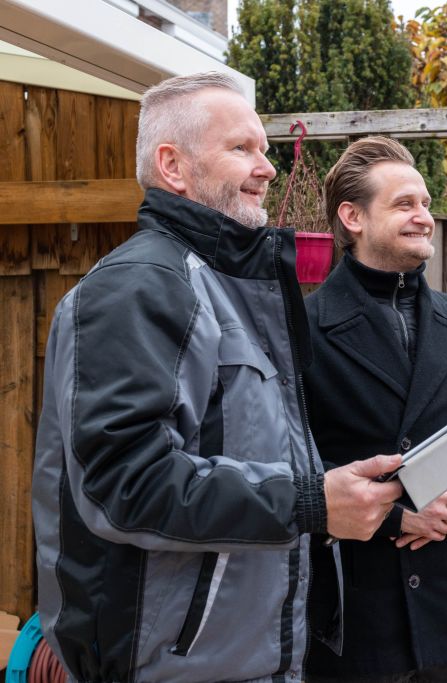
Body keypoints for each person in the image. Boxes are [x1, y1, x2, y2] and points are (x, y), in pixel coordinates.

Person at [31, 72, 404, 683]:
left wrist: (332, 493)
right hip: (167, 668)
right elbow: (122, 484)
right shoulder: (139, 288)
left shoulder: (228, 288)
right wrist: (310, 502)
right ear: (173, 167)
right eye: (242, 149)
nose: (268, 168)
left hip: (249, 659)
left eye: (264, 149)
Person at [303, 136, 447, 682]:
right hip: (360, 611)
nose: (423, 217)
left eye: (425, 204)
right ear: (352, 217)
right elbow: (295, 461)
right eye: (404, 204)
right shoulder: (305, 326)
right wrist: (400, 517)